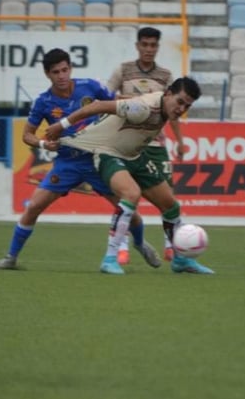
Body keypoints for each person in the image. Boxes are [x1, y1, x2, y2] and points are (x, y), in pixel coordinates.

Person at [0, 48, 161, 271]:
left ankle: (139, 243)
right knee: (34, 206)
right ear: (47, 74)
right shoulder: (43, 102)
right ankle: (11, 257)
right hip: (67, 164)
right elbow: (27, 135)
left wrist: (144, 105)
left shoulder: (89, 87)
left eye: (64, 70)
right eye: (55, 72)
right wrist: (43, 144)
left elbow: (116, 103)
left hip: (98, 159)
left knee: (129, 208)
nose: (61, 76)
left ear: (70, 68)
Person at [43, 76, 214, 275]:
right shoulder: (142, 109)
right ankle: (109, 259)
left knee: (171, 205)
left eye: (187, 106)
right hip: (109, 154)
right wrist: (61, 125)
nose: (181, 109)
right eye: (180, 102)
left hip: (135, 156)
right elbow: (96, 107)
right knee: (131, 194)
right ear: (168, 94)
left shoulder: (164, 107)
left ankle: (181, 260)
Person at [107, 26, 186, 264]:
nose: (149, 49)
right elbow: (106, 97)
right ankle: (121, 245)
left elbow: (174, 110)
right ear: (138, 46)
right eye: (145, 44)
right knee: (127, 196)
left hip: (156, 145)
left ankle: (171, 244)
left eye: (153, 45)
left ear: (158, 47)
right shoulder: (123, 71)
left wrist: (180, 141)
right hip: (127, 145)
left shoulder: (165, 76)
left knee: (167, 197)